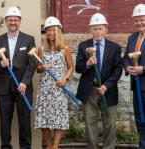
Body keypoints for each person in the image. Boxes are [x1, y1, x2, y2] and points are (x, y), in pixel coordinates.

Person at [75, 13, 122, 149]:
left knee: (110, 124)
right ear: (90, 30)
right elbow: (78, 68)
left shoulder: (115, 48)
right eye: (95, 28)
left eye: (100, 28)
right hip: (89, 90)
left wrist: (106, 85)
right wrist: (88, 64)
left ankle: (109, 147)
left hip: (108, 90)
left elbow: (118, 69)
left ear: (106, 29)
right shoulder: (83, 46)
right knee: (90, 123)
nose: (98, 31)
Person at [0, 6, 36, 149]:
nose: (13, 22)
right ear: (6, 22)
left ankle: (25, 147)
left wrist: (25, 82)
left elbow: (32, 63)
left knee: (24, 121)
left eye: (15, 20)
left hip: (22, 87)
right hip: (4, 88)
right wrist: (1, 64)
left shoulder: (29, 39)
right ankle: (5, 146)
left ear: (20, 22)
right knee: (5, 122)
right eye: (10, 20)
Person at [34, 16, 73, 149]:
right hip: (44, 89)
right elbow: (38, 69)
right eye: (48, 30)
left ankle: (55, 146)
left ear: (58, 31)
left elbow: (70, 67)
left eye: (53, 30)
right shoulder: (41, 50)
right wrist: (41, 67)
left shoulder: (65, 49)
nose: (50, 33)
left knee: (59, 119)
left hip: (58, 88)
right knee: (43, 119)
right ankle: (49, 146)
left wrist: (65, 79)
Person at [123, 4, 145, 148]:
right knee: (140, 119)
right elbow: (125, 57)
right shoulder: (132, 37)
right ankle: (143, 144)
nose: (139, 23)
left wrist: (143, 69)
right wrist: (127, 67)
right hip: (136, 86)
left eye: (142, 19)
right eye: (136, 20)